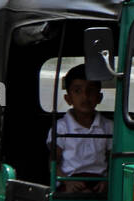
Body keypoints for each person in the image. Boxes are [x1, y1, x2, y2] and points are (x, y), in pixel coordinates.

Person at [47, 66, 111, 194]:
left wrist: (107, 180)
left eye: (91, 91)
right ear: (68, 99)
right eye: (77, 91)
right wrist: (67, 181)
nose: (85, 96)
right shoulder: (61, 127)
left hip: (100, 182)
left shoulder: (108, 126)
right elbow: (53, 162)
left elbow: (113, 161)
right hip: (70, 182)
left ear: (99, 97)